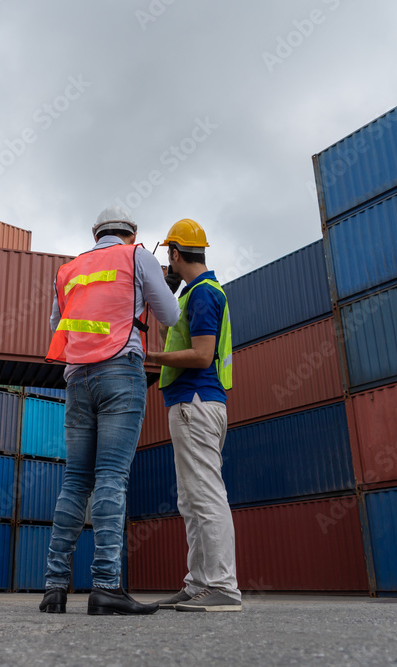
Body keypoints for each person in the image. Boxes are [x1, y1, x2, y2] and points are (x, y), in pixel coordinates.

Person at [40, 205, 181, 615]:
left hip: (78, 378)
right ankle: (105, 586)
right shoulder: (137, 256)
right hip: (121, 371)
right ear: (131, 231)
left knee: (75, 482)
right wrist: (163, 283)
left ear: (95, 232)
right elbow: (169, 315)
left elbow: (57, 327)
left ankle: (54, 588)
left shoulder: (68, 271)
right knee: (111, 478)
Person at [145, 219, 241, 612]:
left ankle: (221, 585)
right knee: (192, 498)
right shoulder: (198, 292)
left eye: (168, 256)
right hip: (199, 404)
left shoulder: (202, 293)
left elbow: (202, 355)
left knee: (206, 495)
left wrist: (149, 356)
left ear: (174, 253)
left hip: (195, 403)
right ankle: (199, 583)